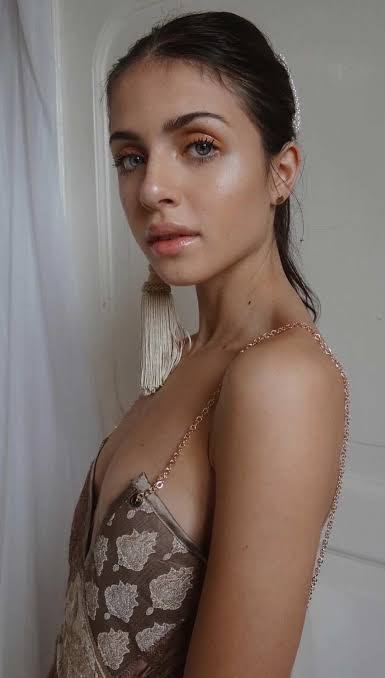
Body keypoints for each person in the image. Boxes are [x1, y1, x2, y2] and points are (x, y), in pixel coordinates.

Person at [47, 9, 350, 678]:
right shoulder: (185, 354)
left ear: (281, 171)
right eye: (130, 158)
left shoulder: (283, 379)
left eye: (200, 146)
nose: (152, 189)